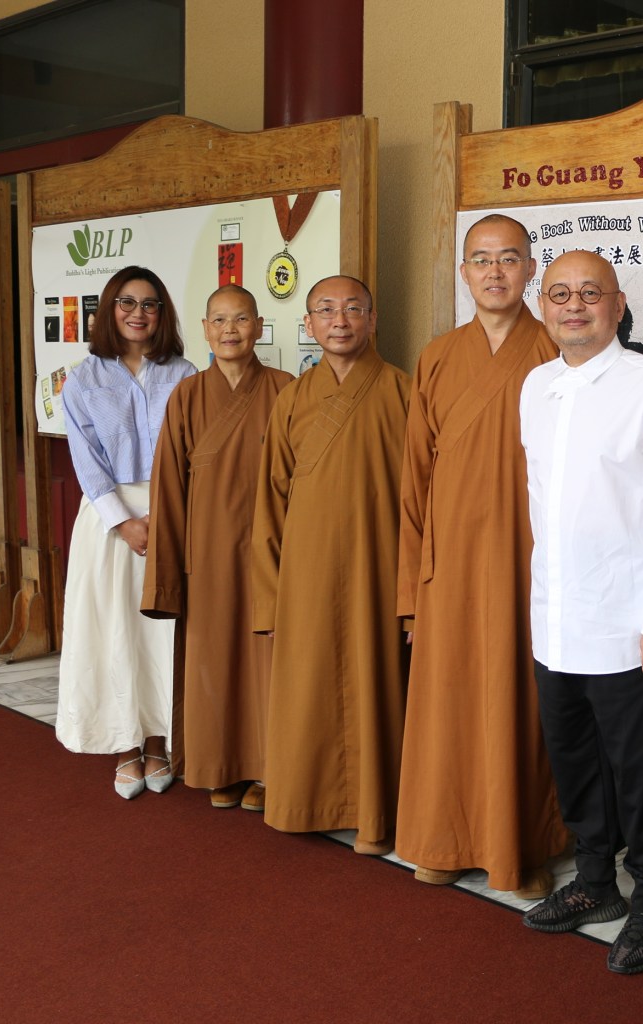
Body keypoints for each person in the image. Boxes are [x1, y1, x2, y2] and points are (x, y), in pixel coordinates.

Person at [518, 250, 643, 974]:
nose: (574, 306)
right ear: (545, 307)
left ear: (618, 303)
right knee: (574, 760)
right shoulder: (536, 387)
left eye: (589, 294)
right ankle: (595, 883)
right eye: (560, 294)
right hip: (558, 616)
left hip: (632, 622)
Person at [395, 215, 568, 897]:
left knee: (525, 702)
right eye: (480, 260)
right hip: (452, 566)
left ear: (530, 269)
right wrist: (411, 590)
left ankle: (522, 846)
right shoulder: (437, 356)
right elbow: (414, 483)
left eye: (509, 259)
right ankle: (443, 837)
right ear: (463, 273)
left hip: (532, 562)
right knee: (448, 701)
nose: (494, 272)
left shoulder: (557, 349)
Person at [251, 275, 410, 847]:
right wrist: (270, 594)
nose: (339, 320)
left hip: (379, 568)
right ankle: (305, 803)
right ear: (309, 325)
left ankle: (376, 814)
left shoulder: (402, 391)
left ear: (373, 319)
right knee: (307, 686)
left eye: (352, 309)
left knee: (378, 685)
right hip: (307, 573)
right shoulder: (292, 397)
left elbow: (421, 500)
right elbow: (270, 499)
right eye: (325, 310)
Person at [142, 285, 293, 810]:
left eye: (242, 319)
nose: (231, 330)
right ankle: (218, 765)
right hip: (205, 554)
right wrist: (169, 568)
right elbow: (167, 487)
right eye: (220, 321)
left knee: (266, 660)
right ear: (205, 329)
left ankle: (268, 770)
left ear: (258, 326)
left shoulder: (285, 388)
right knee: (212, 660)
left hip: (268, 551)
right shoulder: (186, 395)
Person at [56, 266, 197, 798]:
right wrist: (125, 522)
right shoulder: (83, 378)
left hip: (173, 513)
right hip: (109, 520)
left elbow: (191, 452)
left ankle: (160, 743)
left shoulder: (184, 372)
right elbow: (86, 461)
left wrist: (165, 519)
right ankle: (124, 746)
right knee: (112, 630)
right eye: (127, 303)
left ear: (163, 314)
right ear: (109, 310)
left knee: (160, 633)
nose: (139, 313)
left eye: (150, 304)